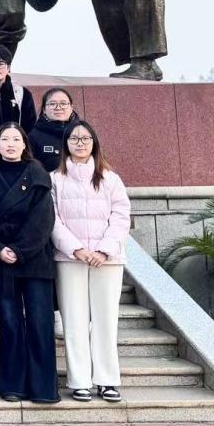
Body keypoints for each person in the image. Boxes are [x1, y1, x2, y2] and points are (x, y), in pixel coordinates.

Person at [0, 123, 59, 404]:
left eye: (16, 139)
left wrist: (20, 250)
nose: (10, 144)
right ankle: (12, 385)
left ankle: (43, 388)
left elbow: (43, 219)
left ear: (25, 144)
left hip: (35, 258)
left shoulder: (38, 173)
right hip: (1, 259)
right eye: (5, 139)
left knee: (40, 321)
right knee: (10, 323)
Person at [52, 121, 131, 402]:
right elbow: (52, 219)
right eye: (74, 138)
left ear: (94, 143)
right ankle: (80, 381)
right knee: (73, 321)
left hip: (107, 261)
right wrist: (76, 249)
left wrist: (104, 250)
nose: (80, 143)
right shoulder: (55, 179)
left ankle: (107, 380)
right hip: (69, 259)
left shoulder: (110, 179)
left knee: (105, 321)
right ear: (66, 144)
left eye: (86, 138)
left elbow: (121, 216)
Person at [0, 46, 36, 132]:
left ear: (8, 67)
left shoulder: (23, 93)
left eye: (0, 64)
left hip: (15, 140)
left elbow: (30, 126)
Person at [29, 88, 79, 173]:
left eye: (63, 103)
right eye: (52, 104)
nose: (58, 108)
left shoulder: (82, 133)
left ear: (71, 108)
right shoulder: (33, 136)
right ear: (44, 109)